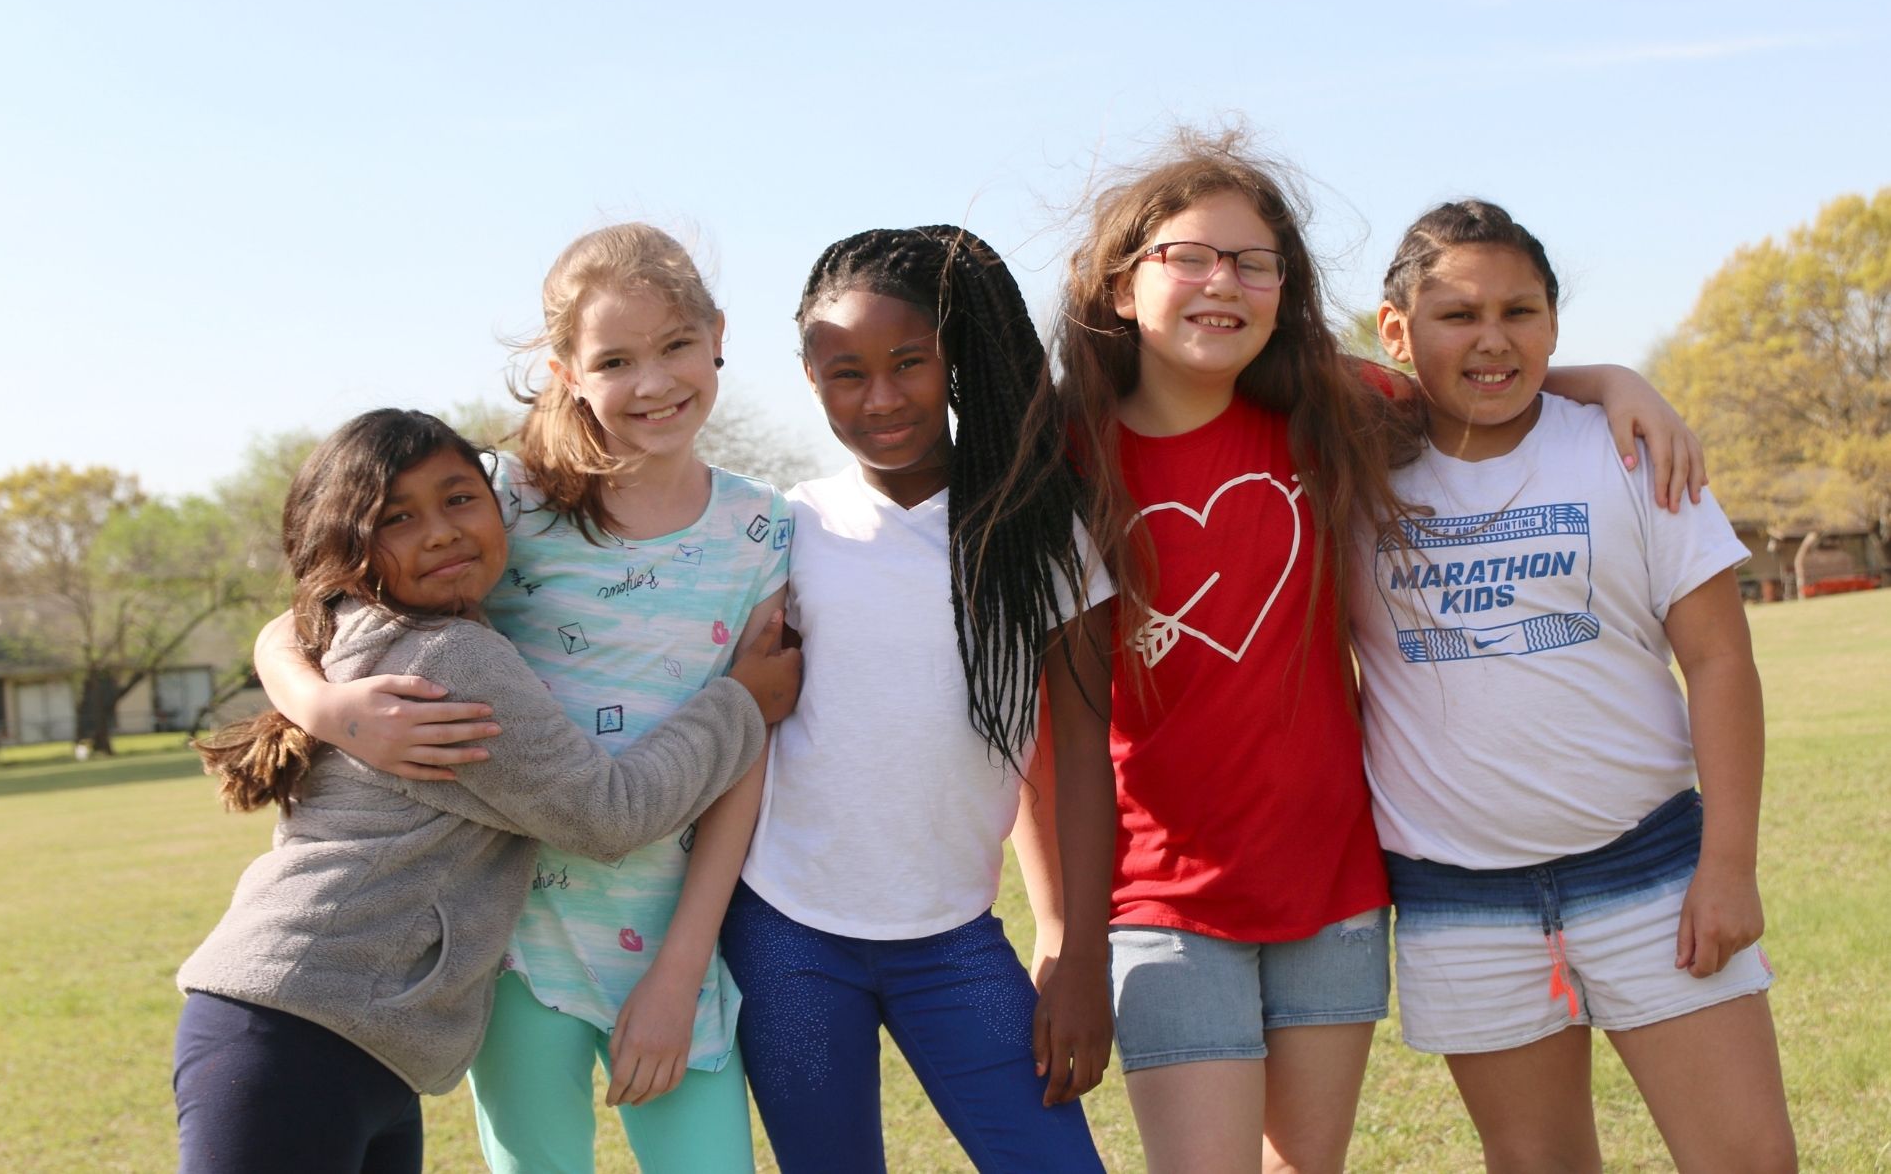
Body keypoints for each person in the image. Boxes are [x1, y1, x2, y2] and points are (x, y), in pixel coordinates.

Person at [1040, 128, 1709, 1174]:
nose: (1224, 282)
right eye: (1190, 257)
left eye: (1253, 261)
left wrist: (1611, 376)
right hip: (1167, 900)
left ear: (1283, 289)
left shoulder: (1337, 414)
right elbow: (1063, 734)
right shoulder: (1067, 455)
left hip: (1334, 894)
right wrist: (1066, 939)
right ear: (1124, 287)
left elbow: (1475, 375)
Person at [254, 225, 790, 1174]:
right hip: (505, 954)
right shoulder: (498, 503)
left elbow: (749, 744)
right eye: (615, 359)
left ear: (718, 333)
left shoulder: (761, 528)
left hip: (673, 944)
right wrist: (330, 712)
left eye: (674, 345)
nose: (654, 381)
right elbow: (301, 622)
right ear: (566, 372)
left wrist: (680, 969)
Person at [1356, 199, 1795, 1173]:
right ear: (1395, 330)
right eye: (1457, 314)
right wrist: (1611, 376)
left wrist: (1727, 864)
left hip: (1649, 868)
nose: (1492, 339)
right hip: (1456, 892)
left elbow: (1720, 660)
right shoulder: (1355, 468)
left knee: (1747, 1157)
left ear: (1554, 324)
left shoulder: (1627, 449)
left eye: (1521, 312)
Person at [715, 225, 1117, 1173]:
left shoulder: (1038, 534)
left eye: (908, 363)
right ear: (810, 381)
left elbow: (1084, 759)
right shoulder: (783, 531)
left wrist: (1077, 953)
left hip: (955, 943)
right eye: (846, 372)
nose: (881, 397)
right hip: (786, 940)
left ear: (956, 359)